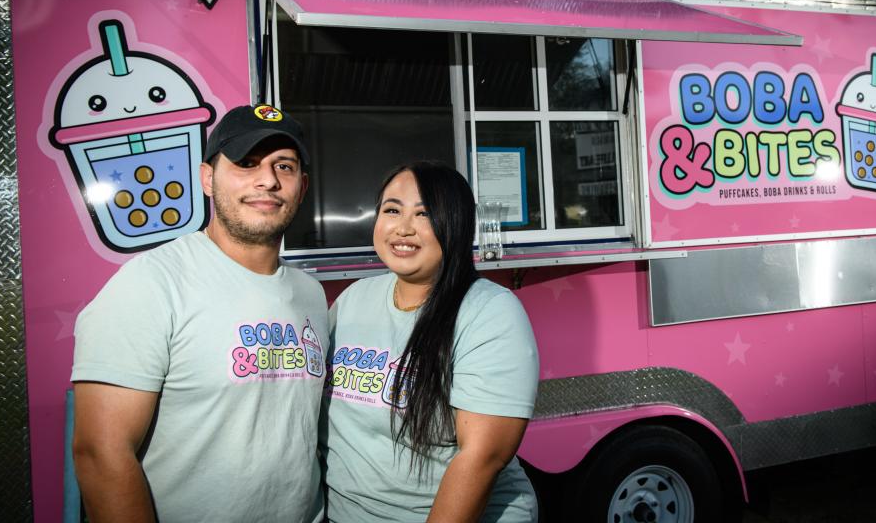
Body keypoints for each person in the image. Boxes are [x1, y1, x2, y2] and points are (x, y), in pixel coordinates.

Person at [71, 104, 328, 523]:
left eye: (285, 165)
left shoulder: (312, 295)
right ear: (208, 179)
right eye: (246, 163)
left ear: (301, 187)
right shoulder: (151, 283)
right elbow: (100, 453)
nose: (268, 179)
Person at [322, 161, 540, 522]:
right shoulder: (352, 300)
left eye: (424, 214)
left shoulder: (489, 312)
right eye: (392, 210)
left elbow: (482, 458)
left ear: (454, 225)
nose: (403, 228)